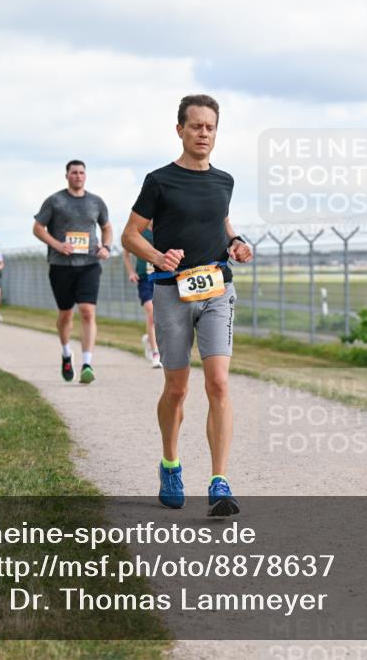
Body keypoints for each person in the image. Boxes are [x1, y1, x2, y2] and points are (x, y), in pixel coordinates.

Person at [121, 94, 253, 516]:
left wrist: (237, 242)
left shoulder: (224, 181)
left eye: (210, 127)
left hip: (217, 289)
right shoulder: (159, 181)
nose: (203, 133)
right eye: (195, 126)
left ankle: (219, 482)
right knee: (177, 389)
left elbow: (221, 221)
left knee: (219, 383)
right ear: (179, 129)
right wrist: (158, 257)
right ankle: (170, 464)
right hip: (171, 292)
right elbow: (130, 235)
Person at [32, 159, 112, 384]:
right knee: (66, 314)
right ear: (66, 175)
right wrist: (57, 245)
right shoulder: (55, 200)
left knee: (87, 311)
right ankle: (66, 353)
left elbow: (107, 227)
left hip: (89, 264)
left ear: (86, 176)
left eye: (81, 172)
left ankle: (87, 364)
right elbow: (37, 228)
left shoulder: (96, 202)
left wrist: (106, 247)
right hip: (61, 265)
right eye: (74, 172)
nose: (78, 176)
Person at [123, 220, 162, 369]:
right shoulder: (140, 231)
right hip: (145, 278)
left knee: (162, 315)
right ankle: (155, 353)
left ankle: (150, 340)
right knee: (151, 312)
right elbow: (126, 253)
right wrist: (131, 271)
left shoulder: (163, 228)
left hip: (161, 277)